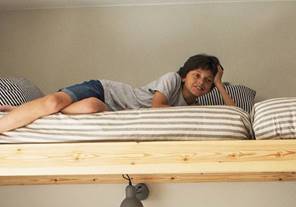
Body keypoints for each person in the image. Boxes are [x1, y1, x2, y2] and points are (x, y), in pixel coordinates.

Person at [0, 54, 235, 133]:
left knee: (91, 108)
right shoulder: (172, 78)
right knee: (52, 102)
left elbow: (234, 114)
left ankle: (22, 110)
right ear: (185, 75)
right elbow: (157, 109)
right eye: (197, 75)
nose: (201, 83)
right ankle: (19, 113)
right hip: (104, 90)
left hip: (106, 109)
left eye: (208, 81)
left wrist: (220, 84)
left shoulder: (190, 108)